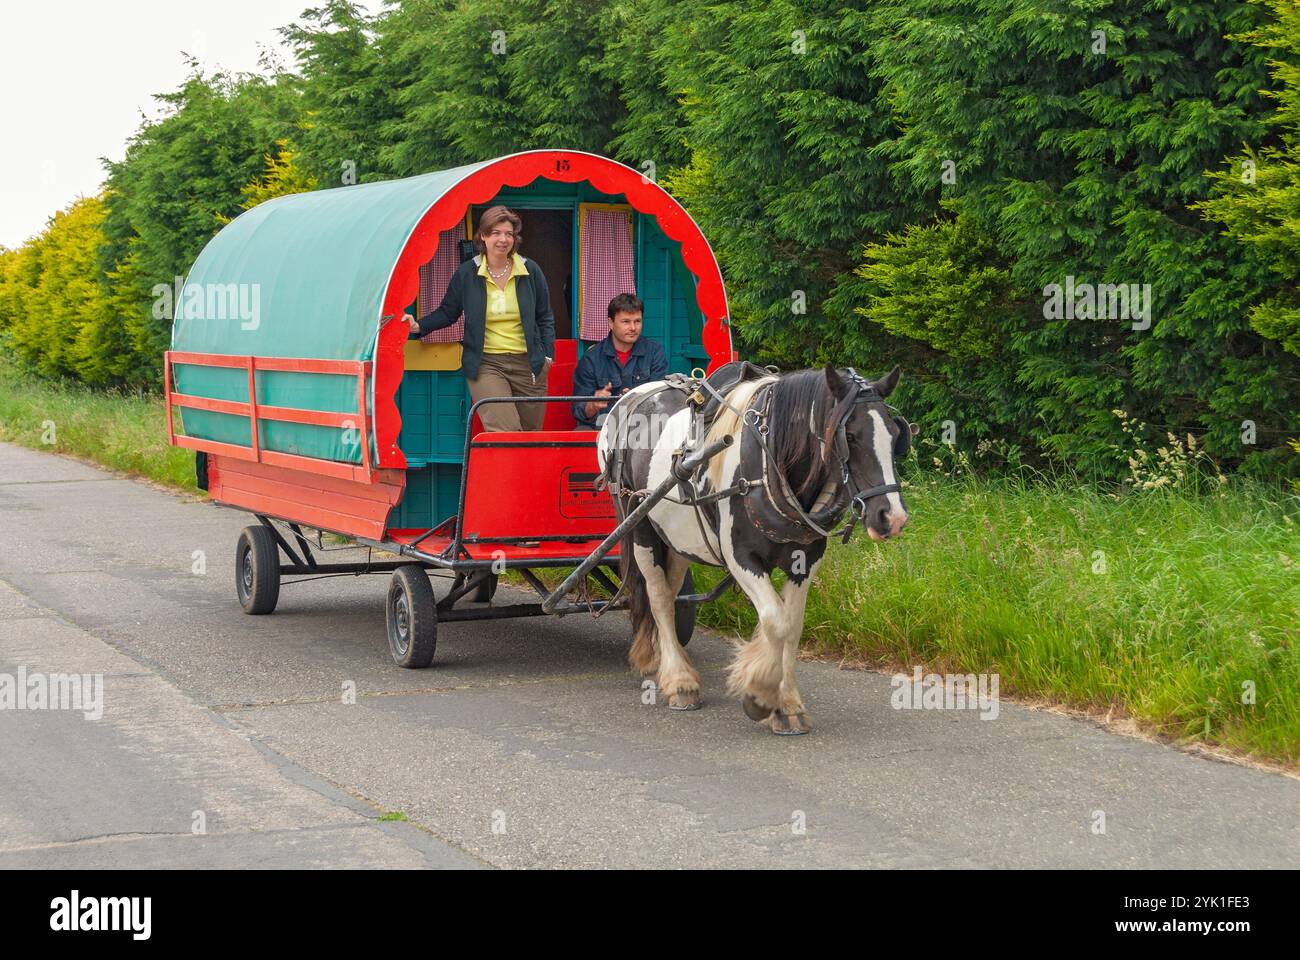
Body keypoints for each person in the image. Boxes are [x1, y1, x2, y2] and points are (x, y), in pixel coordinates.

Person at [404, 206, 555, 432]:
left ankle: (509, 469)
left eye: (508, 234)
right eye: (495, 233)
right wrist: (418, 326)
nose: (503, 239)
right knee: (506, 432)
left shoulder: (530, 270)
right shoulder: (467, 273)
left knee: (529, 436)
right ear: (483, 236)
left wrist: (547, 356)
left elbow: (545, 316)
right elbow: (448, 312)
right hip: (487, 364)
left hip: (529, 364)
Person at [572, 293, 668, 429]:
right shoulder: (591, 359)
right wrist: (592, 405)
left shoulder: (654, 352)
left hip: (644, 428)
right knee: (580, 432)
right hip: (603, 429)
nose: (633, 328)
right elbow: (578, 411)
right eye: (626, 322)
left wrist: (637, 399)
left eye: (637, 321)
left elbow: (661, 399)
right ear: (611, 323)